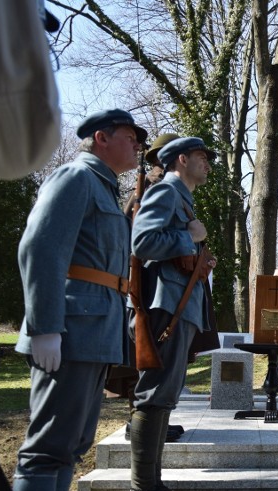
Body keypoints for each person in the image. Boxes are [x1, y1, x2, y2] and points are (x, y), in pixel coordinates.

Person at [13, 109, 147, 491]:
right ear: (101, 137)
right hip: (68, 331)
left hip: (94, 331)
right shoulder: (75, 178)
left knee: (69, 446)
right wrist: (45, 326)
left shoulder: (105, 187)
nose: (137, 146)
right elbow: (40, 247)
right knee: (46, 448)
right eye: (131, 137)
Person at [126, 137, 217, 491]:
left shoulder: (182, 198)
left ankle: (152, 486)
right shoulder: (165, 192)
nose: (208, 163)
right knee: (154, 394)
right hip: (166, 309)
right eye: (202, 156)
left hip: (179, 307)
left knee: (164, 397)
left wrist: (198, 257)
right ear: (181, 159)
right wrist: (189, 237)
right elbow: (142, 241)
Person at [109, 133, 186, 444]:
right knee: (145, 360)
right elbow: (139, 241)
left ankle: (154, 425)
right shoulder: (155, 189)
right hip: (146, 288)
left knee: (154, 362)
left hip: (156, 287)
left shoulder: (162, 188)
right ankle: (140, 424)